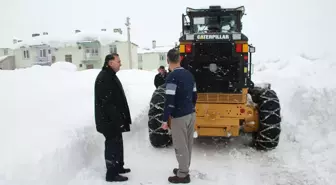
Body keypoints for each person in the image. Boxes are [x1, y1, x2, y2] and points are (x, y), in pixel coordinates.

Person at [94, 53, 132, 182]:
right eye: (118, 61)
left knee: (118, 143)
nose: (120, 63)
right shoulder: (104, 77)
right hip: (109, 121)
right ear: (110, 63)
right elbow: (107, 103)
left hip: (114, 120)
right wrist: (117, 120)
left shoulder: (110, 75)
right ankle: (111, 174)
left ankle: (118, 166)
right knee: (112, 145)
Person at [161, 48, 197, 183]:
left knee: (180, 145)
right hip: (190, 114)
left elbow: (169, 101)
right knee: (188, 144)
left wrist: (165, 119)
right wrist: (190, 108)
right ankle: (184, 167)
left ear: (168, 60)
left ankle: (183, 175)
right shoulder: (189, 75)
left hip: (179, 116)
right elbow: (194, 96)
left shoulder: (171, 77)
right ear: (180, 59)